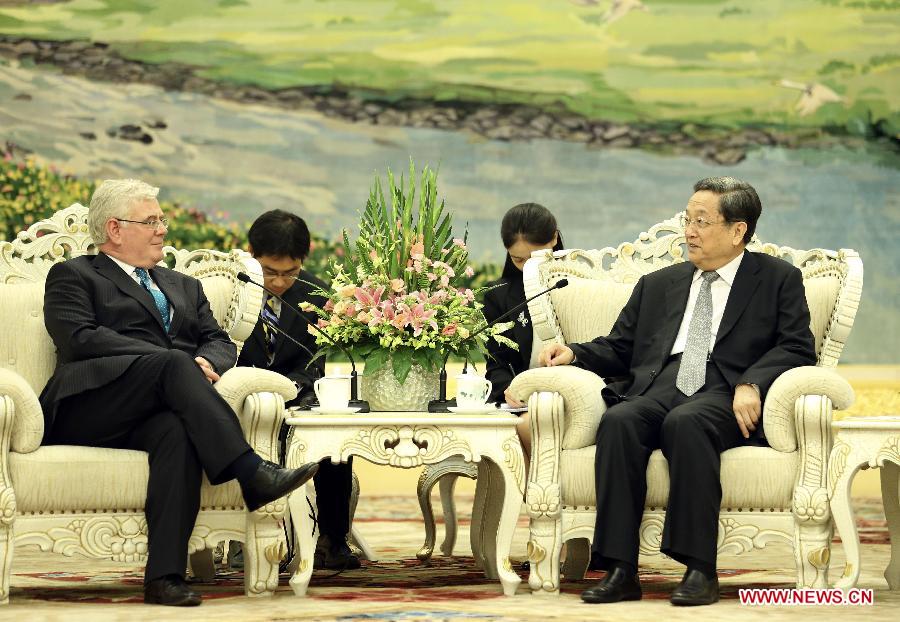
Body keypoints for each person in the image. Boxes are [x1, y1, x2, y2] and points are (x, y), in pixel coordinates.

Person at [535, 177, 816, 606]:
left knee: (687, 422)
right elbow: (621, 347)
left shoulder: (778, 279)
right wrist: (572, 353)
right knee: (620, 420)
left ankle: (700, 569)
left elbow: (796, 346)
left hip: (726, 389)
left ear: (738, 230)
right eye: (689, 219)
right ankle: (620, 569)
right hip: (662, 383)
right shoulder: (659, 283)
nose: (689, 231)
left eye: (702, 221)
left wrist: (752, 382)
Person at [39, 179, 320, 607]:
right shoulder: (75, 275)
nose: (162, 229)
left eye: (161, 220)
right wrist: (174, 363)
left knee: (176, 432)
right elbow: (79, 338)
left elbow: (219, 341)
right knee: (172, 362)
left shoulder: (183, 285)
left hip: (159, 408)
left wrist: (208, 364)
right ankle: (251, 472)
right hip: (90, 406)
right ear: (115, 229)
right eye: (151, 221)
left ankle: (164, 577)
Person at [235, 209, 359, 571]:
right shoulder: (233, 287)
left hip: (296, 396)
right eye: (270, 271)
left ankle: (334, 540)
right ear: (251, 253)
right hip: (243, 400)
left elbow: (317, 358)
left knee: (333, 437)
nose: (278, 282)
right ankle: (245, 539)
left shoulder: (316, 295)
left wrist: (295, 385)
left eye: (289, 272)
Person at [484, 202, 562, 458]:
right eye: (518, 259)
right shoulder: (497, 296)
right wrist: (511, 388)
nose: (527, 266)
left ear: (554, 239)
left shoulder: (580, 284)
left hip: (572, 391)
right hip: (522, 399)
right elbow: (495, 364)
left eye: (534, 258)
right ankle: (527, 498)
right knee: (520, 423)